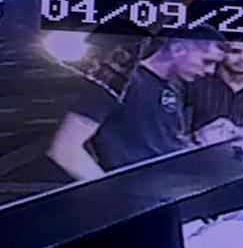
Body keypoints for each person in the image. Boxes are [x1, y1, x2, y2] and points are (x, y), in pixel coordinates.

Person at [47, 25, 228, 180]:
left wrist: (199, 139)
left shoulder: (175, 87)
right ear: (178, 49)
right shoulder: (117, 80)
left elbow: (154, 144)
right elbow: (65, 150)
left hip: (177, 189)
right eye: (207, 61)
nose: (211, 71)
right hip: (143, 198)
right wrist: (113, 196)